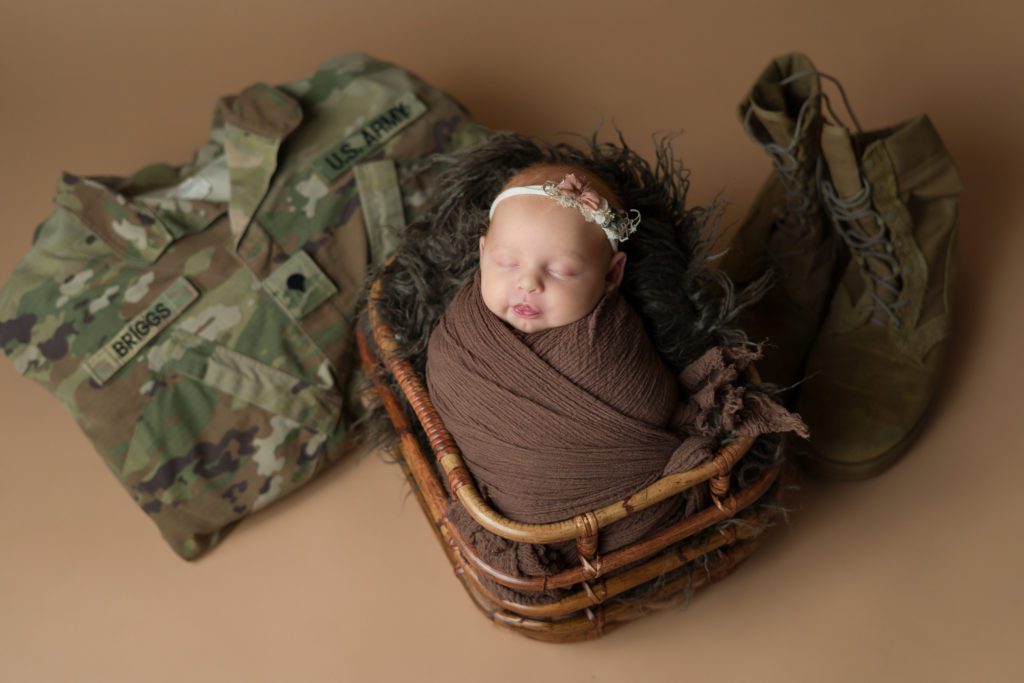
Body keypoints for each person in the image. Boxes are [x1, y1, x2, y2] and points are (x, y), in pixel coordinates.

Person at [477, 164, 640, 333]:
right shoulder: (465, 321)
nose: (528, 283)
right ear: (482, 255)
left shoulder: (617, 337)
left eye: (561, 271)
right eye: (507, 262)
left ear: (610, 274)